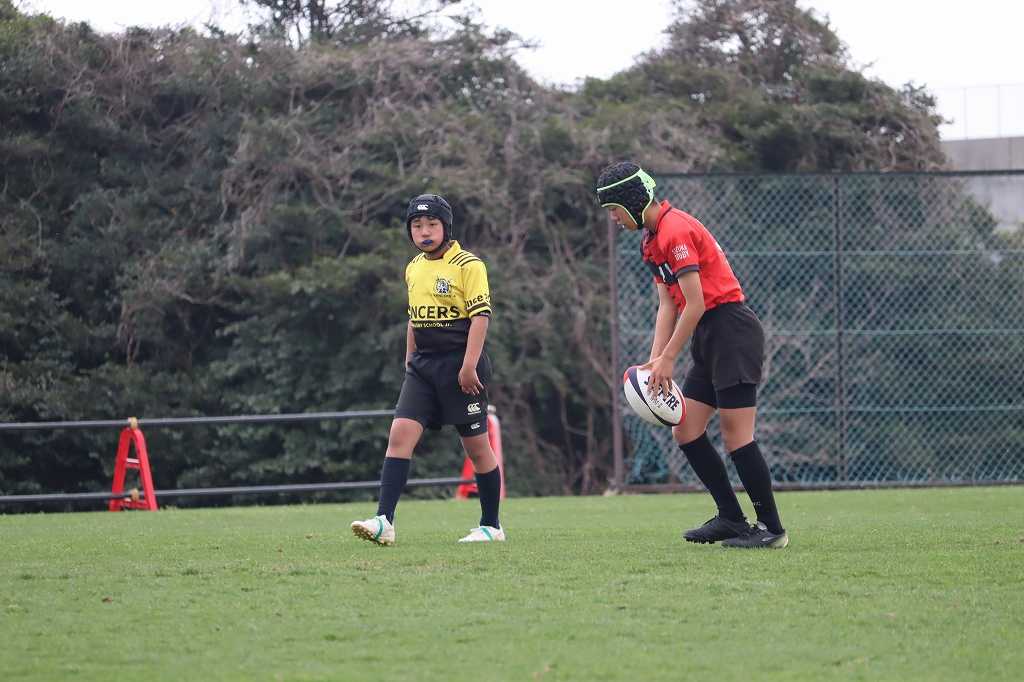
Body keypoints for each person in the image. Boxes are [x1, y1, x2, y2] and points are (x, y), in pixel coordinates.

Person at [596, 162, 788, 548]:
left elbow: (696, 302)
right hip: (708, 335)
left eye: (614, 209)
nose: (614, 219)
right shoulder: (651, 241)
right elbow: (668, 305)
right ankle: (731, 518)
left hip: (732, 331)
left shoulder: (676, 230)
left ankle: (772, 529)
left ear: (632, 201)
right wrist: (655, 360)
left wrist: (669, 358)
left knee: (737, 436)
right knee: (686, 429)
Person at [350, 193, 504, 545]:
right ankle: (384, 521)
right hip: (422, 368)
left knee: (477, 448)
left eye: (432, 224)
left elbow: (481, 317)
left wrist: (468, 366)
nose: (424, 232)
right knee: (399, 435)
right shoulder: (414, 267)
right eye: (417, 226)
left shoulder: (469, 265)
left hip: (460, 366)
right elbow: (413, 318)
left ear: (446, 227)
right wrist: (410, 360)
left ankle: (491, 526)